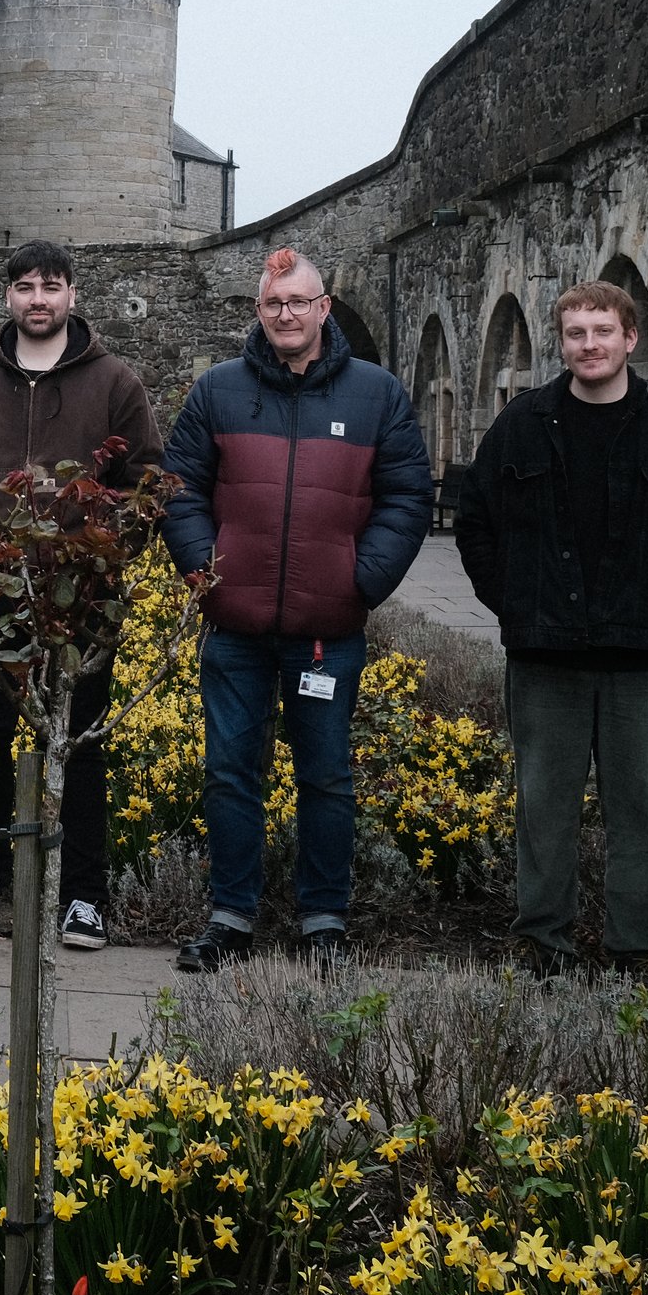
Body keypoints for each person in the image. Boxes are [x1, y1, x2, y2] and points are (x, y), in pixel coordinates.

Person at [455, 280, 648, 974]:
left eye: (603, 331)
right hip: (545, 650)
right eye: (577, 333)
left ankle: (635, 951)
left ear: (630, 338)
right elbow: (475, 523)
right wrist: (515, 602)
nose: (590, 344)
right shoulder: (522, 423)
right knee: (543, 808)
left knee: (639, 811)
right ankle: (542, 946)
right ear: (563, 342)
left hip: (639, 655)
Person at [161, 247, 433, 971]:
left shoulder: (376, 394)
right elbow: (178, 489)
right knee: (229, 772)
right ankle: (230, 916)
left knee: (326, 776)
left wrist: (360, 579)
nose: (287, 314)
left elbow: (409, 496)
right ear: (260, 312)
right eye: (273, 303)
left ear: (324, 308)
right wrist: (206, 573)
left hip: (327, 631)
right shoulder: (217, 390)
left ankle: (323, 921)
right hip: (236, 626)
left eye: (299, 301)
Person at [0, 239, 161, 951]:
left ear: (73, 295)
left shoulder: (114, 383)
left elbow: (146, 485)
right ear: (9, 297)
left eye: (52, 285)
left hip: (78, 598)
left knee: (78, 744)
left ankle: (83, 893)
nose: (39, 298)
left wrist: (105, 562)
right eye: (25, 286)